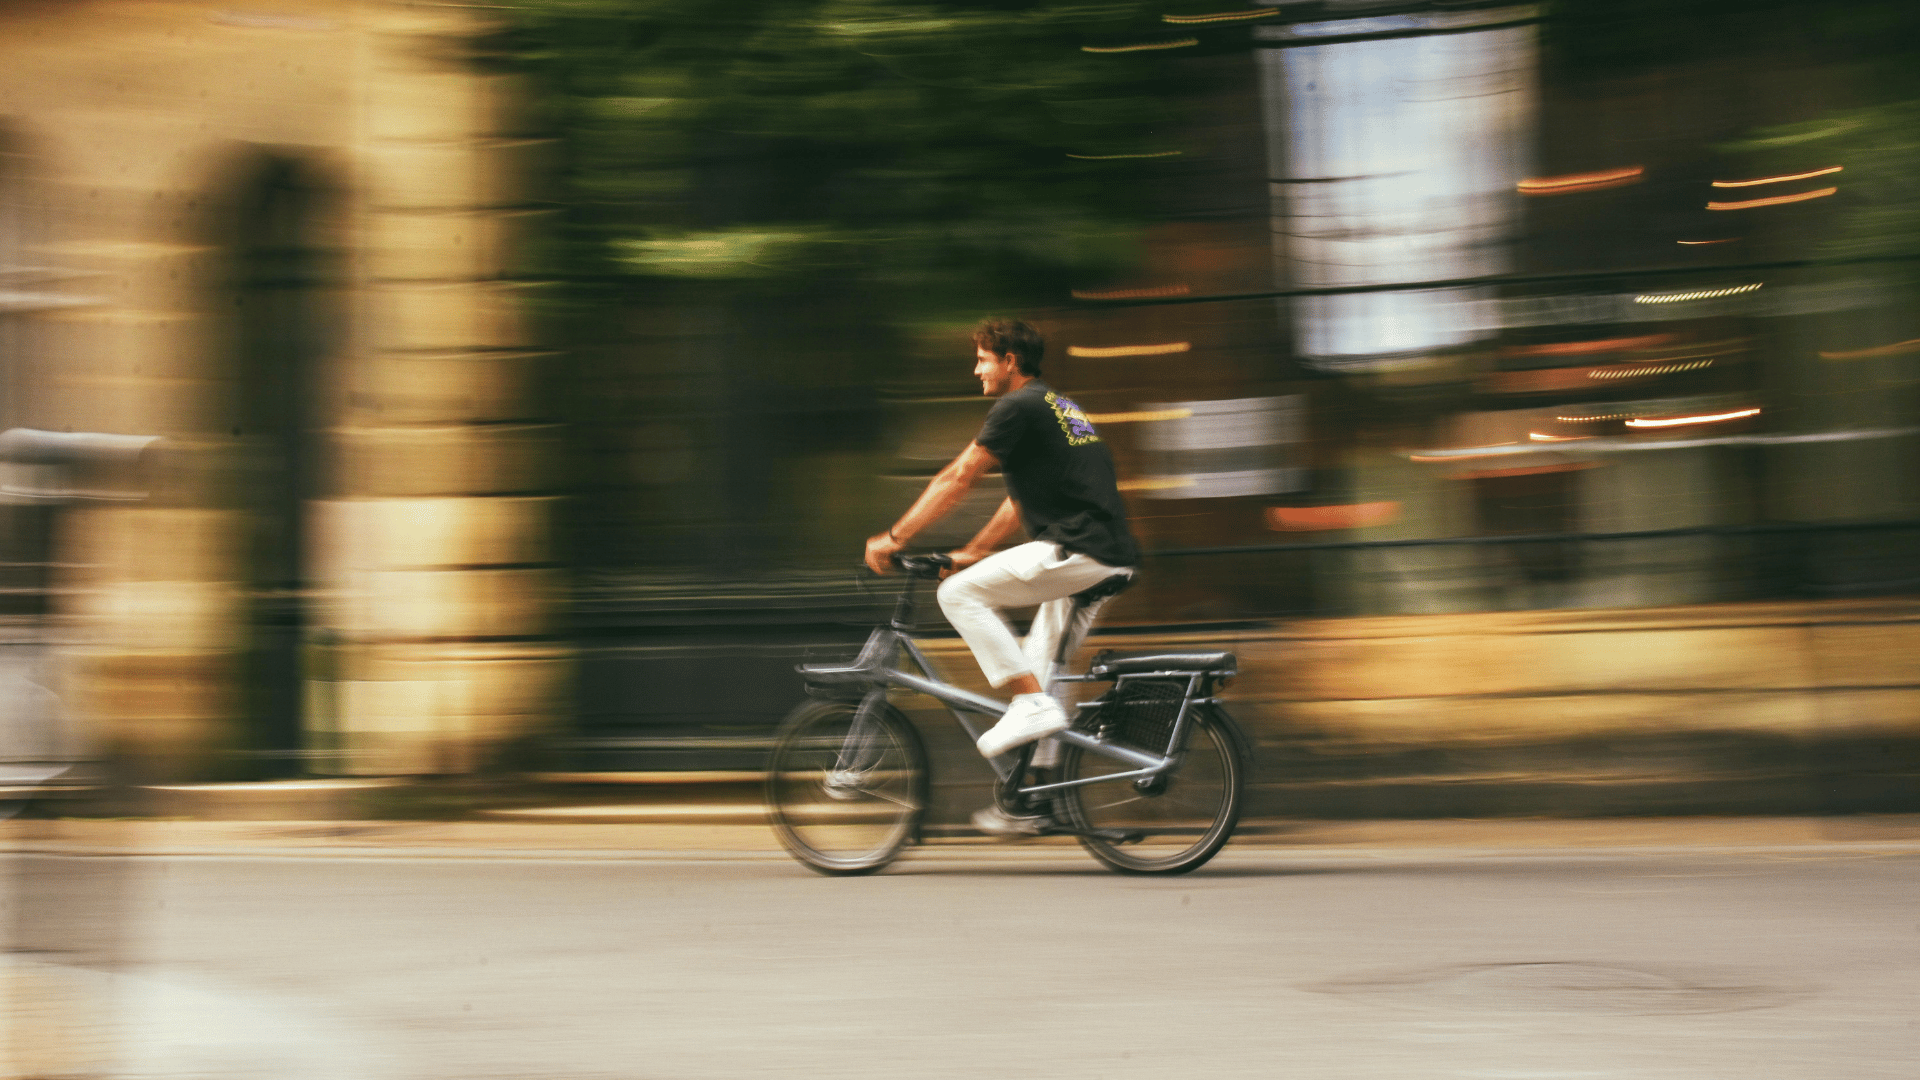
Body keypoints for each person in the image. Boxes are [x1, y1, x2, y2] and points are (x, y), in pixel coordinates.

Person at [864, 318, 1140, 835]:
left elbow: (960, 475)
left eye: (983, 359)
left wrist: (895, 536)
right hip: (1109, 554)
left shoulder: (1017, 406)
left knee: (958, 593)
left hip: (1078, 550)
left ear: (1010, 361)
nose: (976, 370)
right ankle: (1035, 798)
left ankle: (1030, 706)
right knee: (1040, 662)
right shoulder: (1057, 407)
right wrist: (973, 549)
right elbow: (1020, 501)